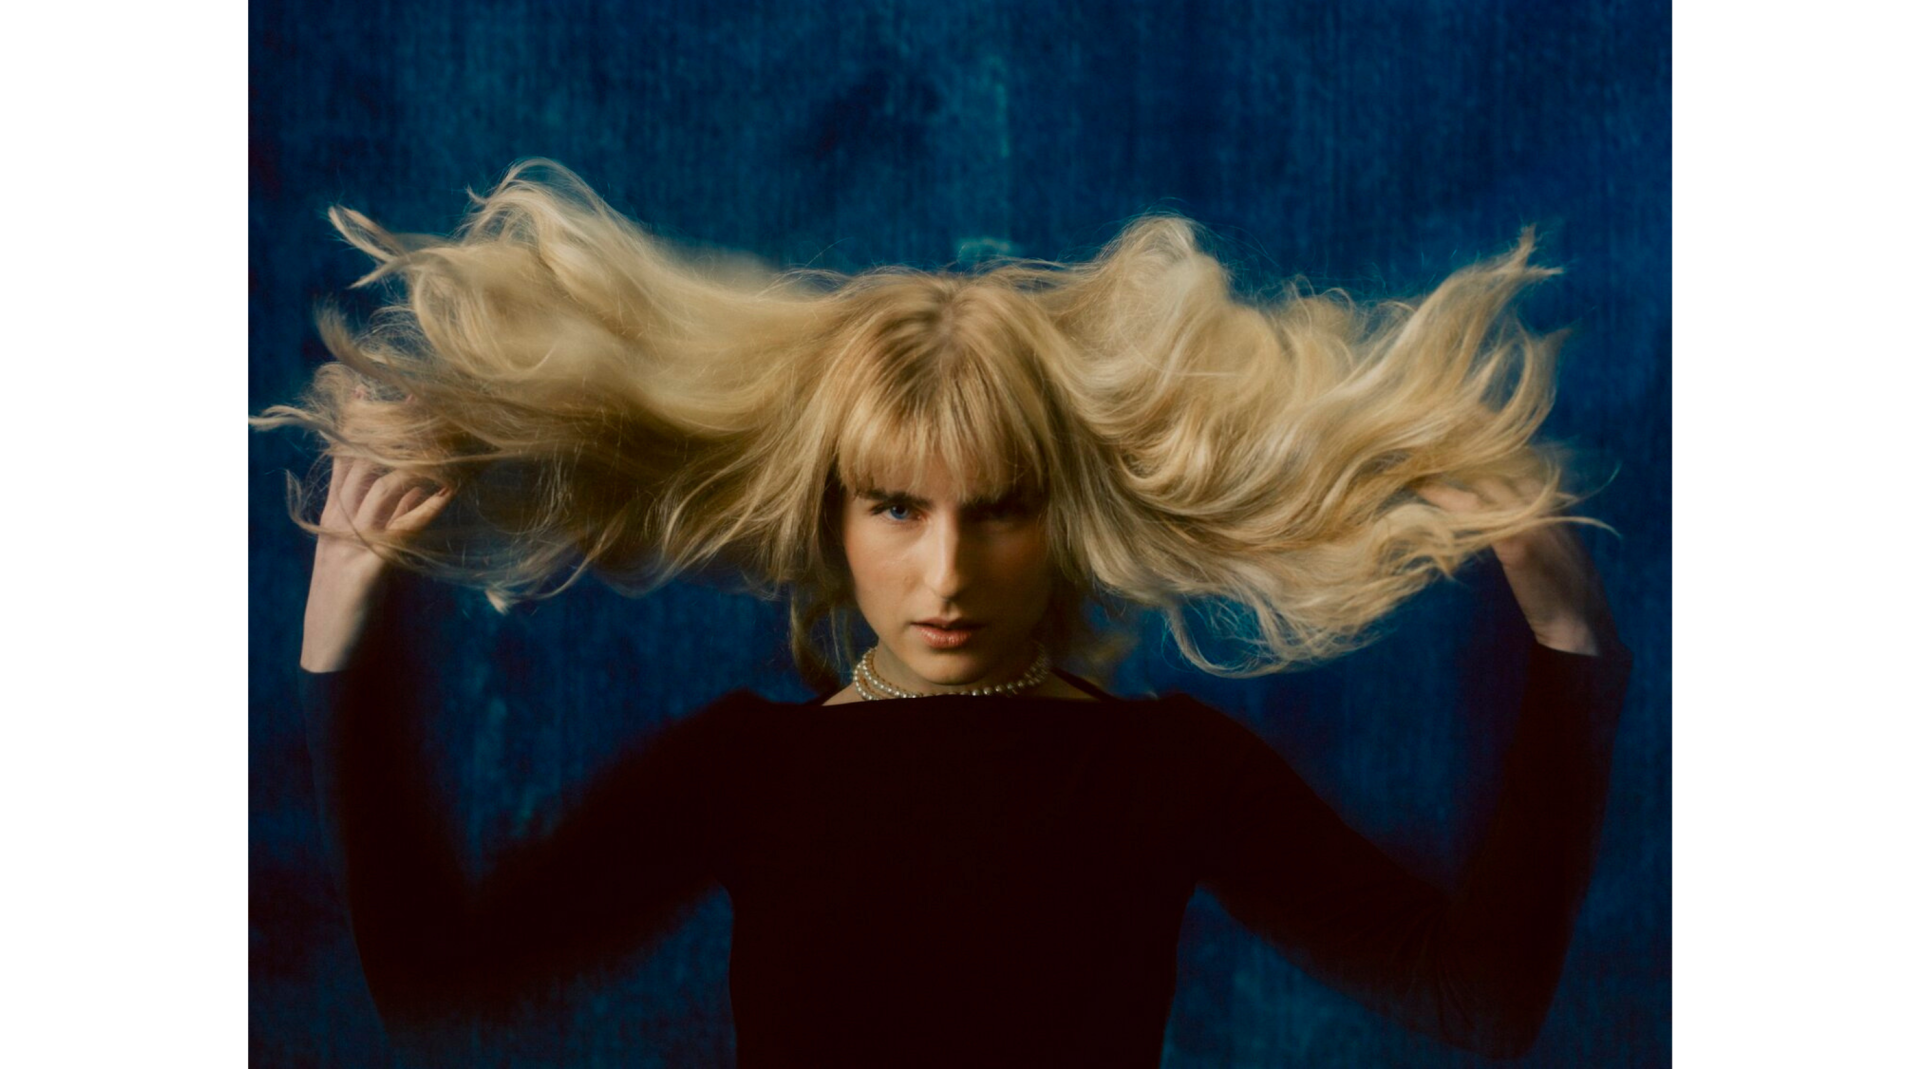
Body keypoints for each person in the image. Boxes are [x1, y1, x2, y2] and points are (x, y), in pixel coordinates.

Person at [258, 160, 1629, 1067]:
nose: (948, 573)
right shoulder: (747, 771)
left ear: (1064, 517)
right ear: (834, 518)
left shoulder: (1169, 770)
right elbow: (436, 986)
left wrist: (1575, 648)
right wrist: (341, 648)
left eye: (1001, 508)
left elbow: (1480, 999)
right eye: (897, 508)